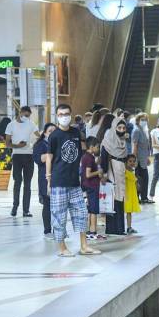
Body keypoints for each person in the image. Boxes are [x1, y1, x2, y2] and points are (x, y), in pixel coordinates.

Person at [46, 104, 101, 257]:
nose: (64, 116)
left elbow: (79, 155)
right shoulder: (54, 136)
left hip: (74, 183)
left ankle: (84, 246)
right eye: (61, 114)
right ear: (57, 116)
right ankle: (62, 248)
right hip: (58, 182)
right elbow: (50, 158)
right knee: (59, 216)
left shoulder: (76, 132)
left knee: (82, 213)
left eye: (66, 113)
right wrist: (48, 179)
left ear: (71, 115)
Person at [5, 106, 41, 217]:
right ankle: (15, 206)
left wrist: (32, 144)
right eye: (25, 115)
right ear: (20, 113)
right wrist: (18, 146)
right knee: (17, 182)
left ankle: (26, 210)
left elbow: (39, 137)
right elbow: (7, 144)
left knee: (27, 184)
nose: (27, 117)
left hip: (29, 156)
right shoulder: (11, 125)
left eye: (28, 116)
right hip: (16, 156)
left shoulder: (31, 124)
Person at [100, 117, 129, 235]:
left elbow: (125, 157)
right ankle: (112, 228)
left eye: (123, 128)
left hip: (121, 171)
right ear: (114, 127)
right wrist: (104, 174)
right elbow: (103, 157)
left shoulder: (123, 142)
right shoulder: (108, 141)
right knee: (113, 200)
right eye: (119, 127)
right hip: (111, 173)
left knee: (120, 199)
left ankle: (120, 228)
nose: (121, 130)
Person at [33, 123, 57, 239]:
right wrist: (50, 154)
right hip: (45, 178)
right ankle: (47, 230)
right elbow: (38, 159)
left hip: (58, 176)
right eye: (50, 131)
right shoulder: (40, 144)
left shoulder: (58, 143)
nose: (52, 133)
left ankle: (58, 229)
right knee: (47, 204)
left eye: (54, 131)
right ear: (45, 132)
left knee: (58, 205)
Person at [80, 137, 103, 241]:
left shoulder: (86, 156)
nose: (98, 149)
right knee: (93, 210)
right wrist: (99, 172)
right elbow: (88, 174)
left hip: (89, 186)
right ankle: (93, 231)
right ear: (92, 147)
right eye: (97, 147)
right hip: (92, 186)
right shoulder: (89, 158)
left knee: (90, 209)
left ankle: (90, 230)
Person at [131, 112, 153, 204]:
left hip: (143, 159)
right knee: (139, 180)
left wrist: (147, 157)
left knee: (144, 179)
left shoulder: (143, 130)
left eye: (145, 120)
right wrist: (134, 159)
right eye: (142, 120)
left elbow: (145, 146)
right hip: (138, 160)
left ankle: (144, 197)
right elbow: (135, 146)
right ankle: (137, 198)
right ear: (138, 120)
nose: (144, 121)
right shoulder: (136, 130)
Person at [124, 154, 140, 234]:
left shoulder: (132, 171)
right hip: (126, 194)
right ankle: (125, 227)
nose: (132, 163)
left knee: (129, 211)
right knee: (127, 210)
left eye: (134, 161)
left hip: (131, 194)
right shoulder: (124, 172)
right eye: (130, 161)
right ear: (126, 162)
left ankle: (129, 227)